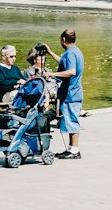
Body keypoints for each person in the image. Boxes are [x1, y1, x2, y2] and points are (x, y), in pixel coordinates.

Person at [43, 28, 84, 160]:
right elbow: (62, 61)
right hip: (74, 92)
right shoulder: (75, 51)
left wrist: (51, 74)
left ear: (63, 40)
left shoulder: (70, 54)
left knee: (72, 120)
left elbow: (71, 71)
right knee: (70, 120)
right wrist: (49, 52)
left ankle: (75, 150)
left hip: (71, 93)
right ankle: (71, 149)